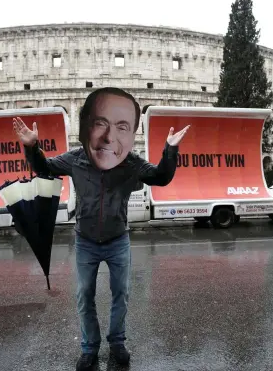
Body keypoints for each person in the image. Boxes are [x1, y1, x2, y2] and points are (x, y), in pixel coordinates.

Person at [13, 87, 190, 370]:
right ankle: (89, 348)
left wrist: (170, 149)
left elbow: (160, 177)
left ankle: (117, 343)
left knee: (121, 292)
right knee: (85, 294)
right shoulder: (76, 158)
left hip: (118, 239)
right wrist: (32, 147)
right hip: (86, 241)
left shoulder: (130, 162)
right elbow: (44, 168)